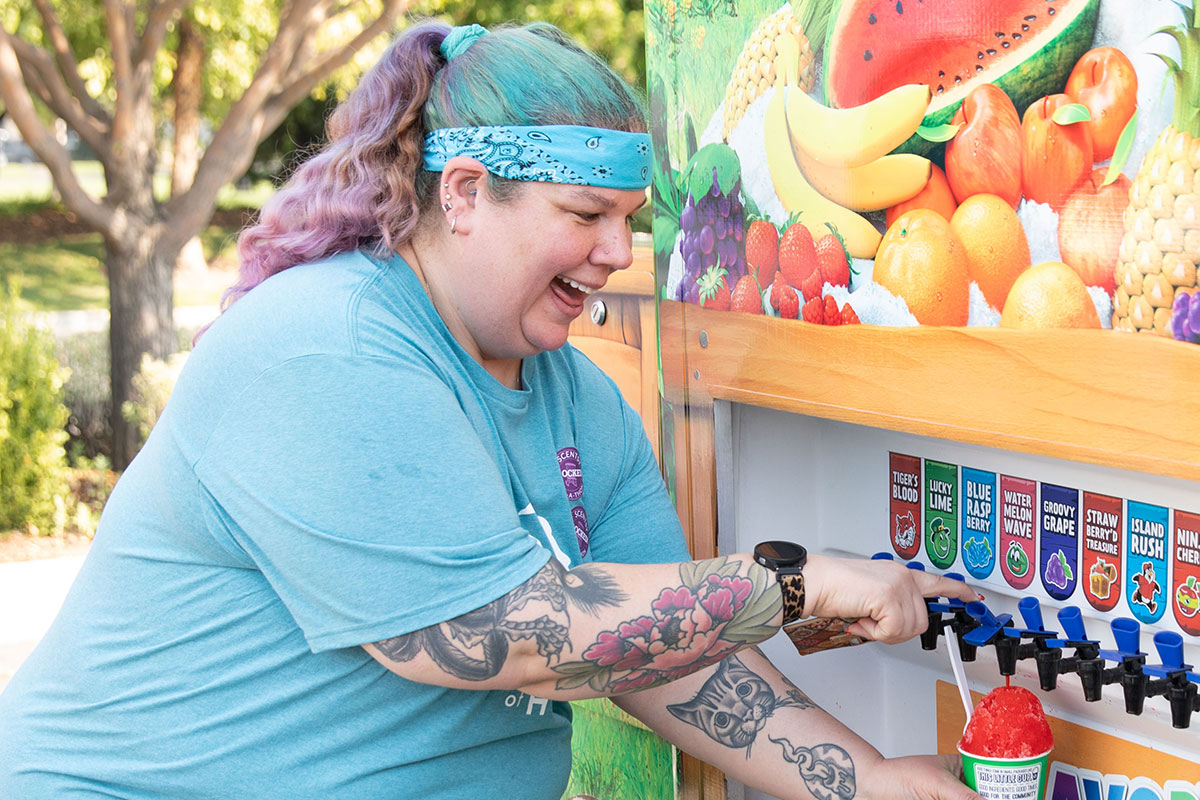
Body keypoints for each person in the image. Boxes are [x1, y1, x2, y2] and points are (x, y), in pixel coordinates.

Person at [0, 20, 981, 800]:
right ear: (464, 191)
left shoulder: (584, 403)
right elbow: (495, 630)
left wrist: (868, 779)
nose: (618, 253)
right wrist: (792, 584)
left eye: (630, 220)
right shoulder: (330, 346)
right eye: (586, 215)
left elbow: (661, 657)